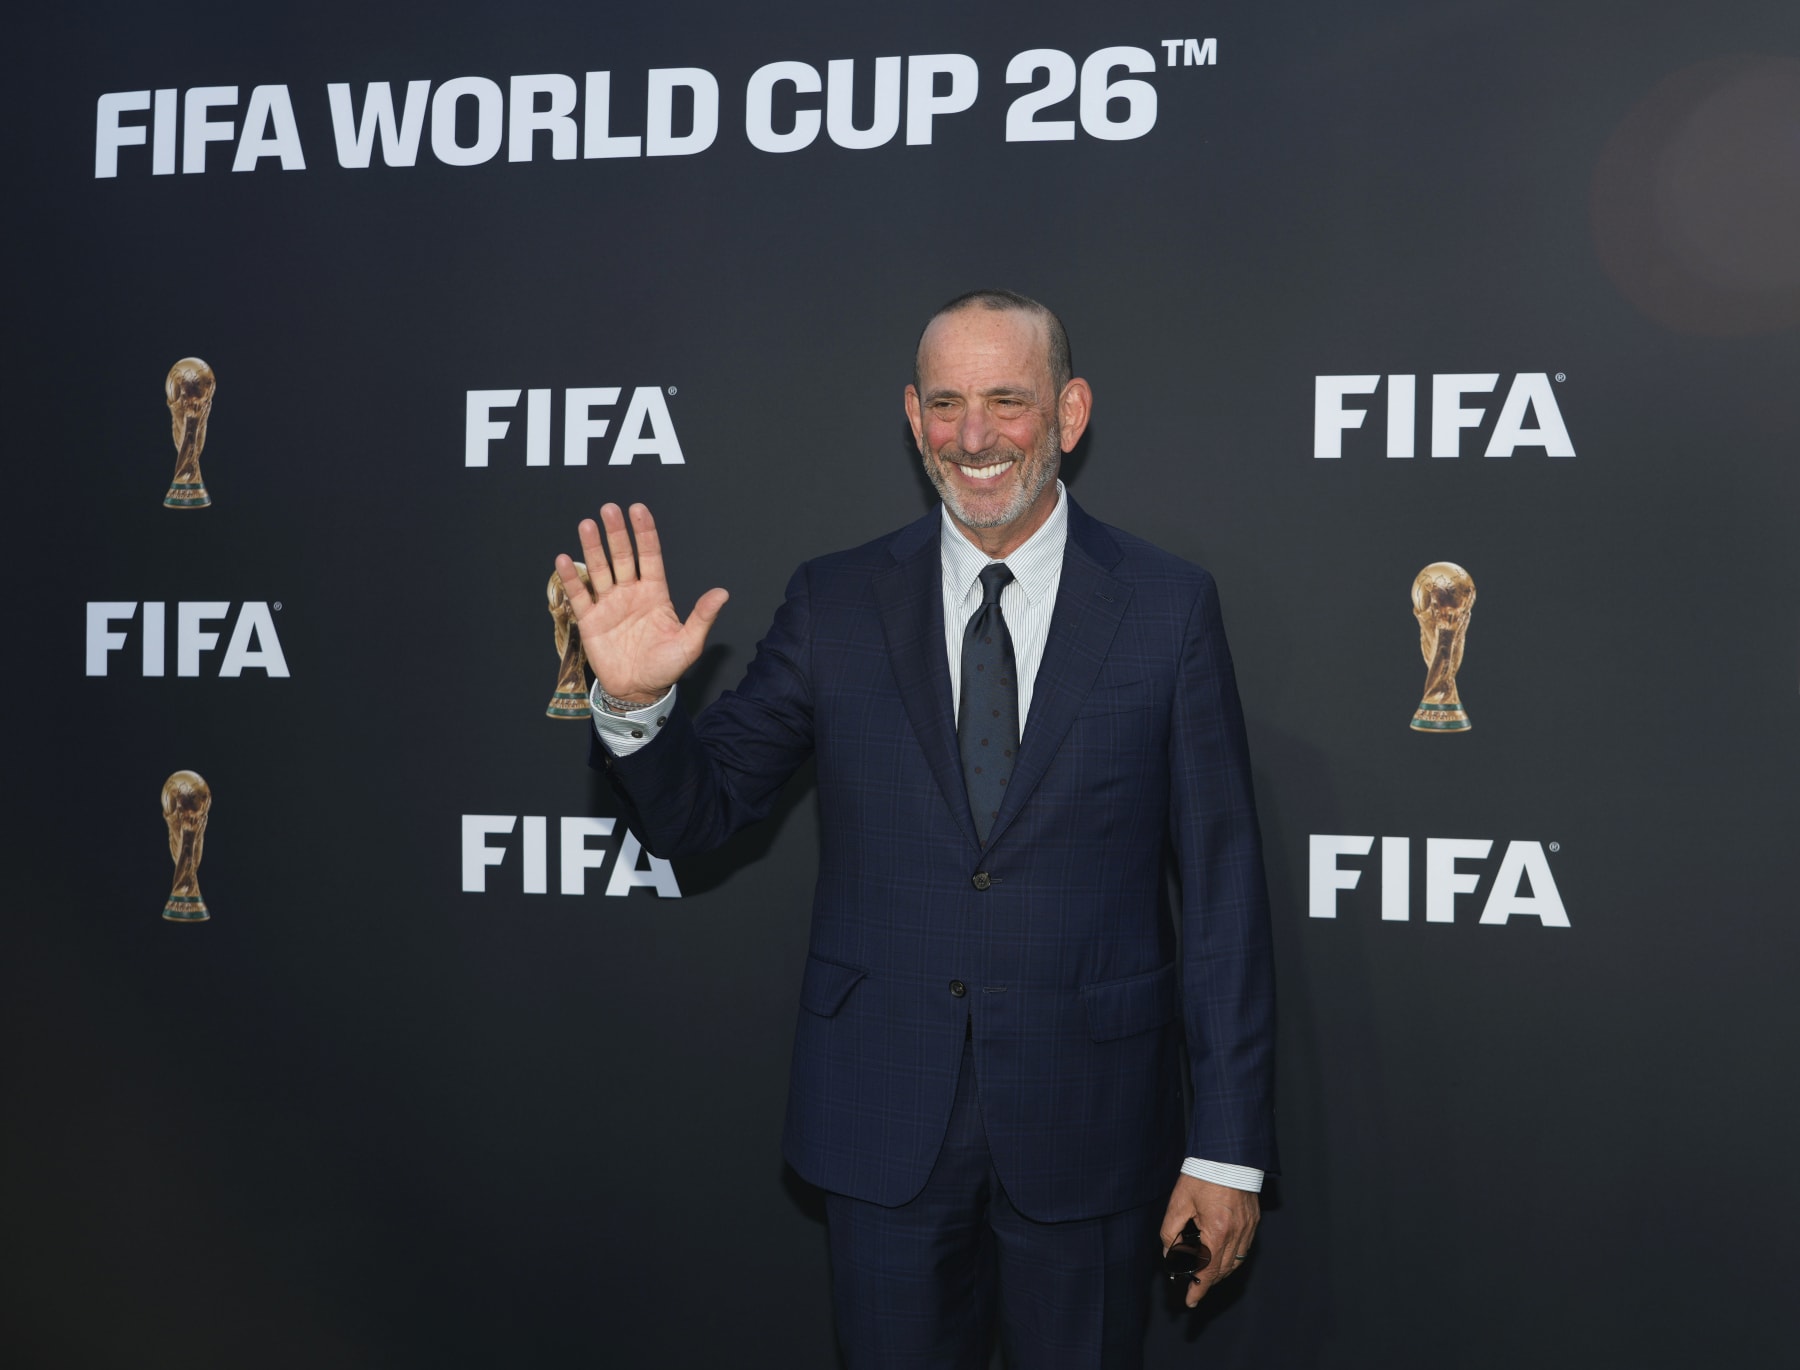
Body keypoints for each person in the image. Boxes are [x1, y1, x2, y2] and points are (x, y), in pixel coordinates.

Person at [555, 290, 1276, 1368]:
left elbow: (1221, 893)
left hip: (1090, 1119)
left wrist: (1227, 1151)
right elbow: (699, 812)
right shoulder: (835, 600)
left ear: (1070, 413)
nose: (973, 435)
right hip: (880, 1116)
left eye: (1006, 400)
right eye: (945, 402)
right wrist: (638, 709)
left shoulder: (1168, 608)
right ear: (911, 414)